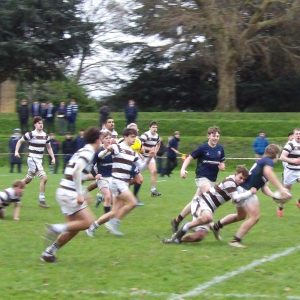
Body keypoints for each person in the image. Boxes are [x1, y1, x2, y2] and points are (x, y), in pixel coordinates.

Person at [40, 127, 102, 263]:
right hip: (70, 193)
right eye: (101, 139)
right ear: (97, 140)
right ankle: (56, 228)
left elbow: (75, 172)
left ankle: (49, 253)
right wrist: (81, 194)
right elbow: (76, 172)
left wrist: (91, 177)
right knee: (89, 222)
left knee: (73, 228)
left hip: (63, 191)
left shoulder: (83, 150)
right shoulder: (89, 152)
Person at [211, 144, 291, 248]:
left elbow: (263, 188)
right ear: (275, 154)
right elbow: (268, 172)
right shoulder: (268, 161)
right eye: (278, 155)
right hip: (247, 191)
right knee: (255, 217)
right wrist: (281, 188)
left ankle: (216, 226)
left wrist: (274, 196)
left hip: (242, 191)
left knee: (241, 216)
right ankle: (235, 240)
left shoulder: (262, 162)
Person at [85, 128, 155, 238]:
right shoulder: (117, 147)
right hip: (117, 182)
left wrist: (149, 158)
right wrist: (106, 150)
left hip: (123, 183)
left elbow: (141, 167)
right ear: (125, 136)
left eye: (135, 137)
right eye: (132, 136)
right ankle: (114, 224)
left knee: (113, 212)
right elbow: (100, 156)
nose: (134, 139)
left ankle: (92, 227)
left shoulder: (133, 152)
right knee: (133, 202)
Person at [163, 166, 254, 244]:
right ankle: (186, 226)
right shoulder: (231, 182)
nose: (241, 181)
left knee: (199, 236)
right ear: (236, 174)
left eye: (244, 179)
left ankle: (178, 239)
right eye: (240, 177)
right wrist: (250, 192)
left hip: (208, 208)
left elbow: (234, 200)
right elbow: (235, 198)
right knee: (208, 218)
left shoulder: (235, 183)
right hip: (201, 202)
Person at [170, 126, 225, 233]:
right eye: (214, 136)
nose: (216, 138)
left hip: (212, 180)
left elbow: (222, 162)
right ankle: (206, 224)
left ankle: (177, 220)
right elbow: (189, 158)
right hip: (202, 178)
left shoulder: (220, 149)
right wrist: (182, 169)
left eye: (218, 136)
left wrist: (222, 166)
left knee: (195, 201)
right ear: (208, 136)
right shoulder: (202, 148)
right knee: (209, 198)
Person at [14, 116, 56, 208]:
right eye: (38, 123)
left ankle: (13, 193)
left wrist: (53, 157)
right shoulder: (30, 134)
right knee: (44, 178)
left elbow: (49, 147)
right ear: (35, 124)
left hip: (38, 161)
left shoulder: (46, 136)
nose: (41, 124)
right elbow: (20, 141)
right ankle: (42, 200)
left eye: (41, 123)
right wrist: (16, 151)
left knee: (27, 180)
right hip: (32, 159)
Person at [280, 128, 300, 215]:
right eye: (297, 134)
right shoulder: (290, 145)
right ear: (294, 135)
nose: (299, 135)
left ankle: (299, 202)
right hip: (290, 172)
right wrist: (293, 161)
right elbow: (282, 157)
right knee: (286, 194)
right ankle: (280, 207)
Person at [140, 121, 162, 197]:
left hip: (150, 157)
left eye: (156, 127)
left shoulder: (157, 136)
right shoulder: (145, 135)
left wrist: (156, 151)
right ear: (149, 128)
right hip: (141, 157)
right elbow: (139, 145)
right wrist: (150, 149)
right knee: (136, 175)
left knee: (154, 171)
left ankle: (153, 190)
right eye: (153, 127)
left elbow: (158, 144)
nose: (155, 129)